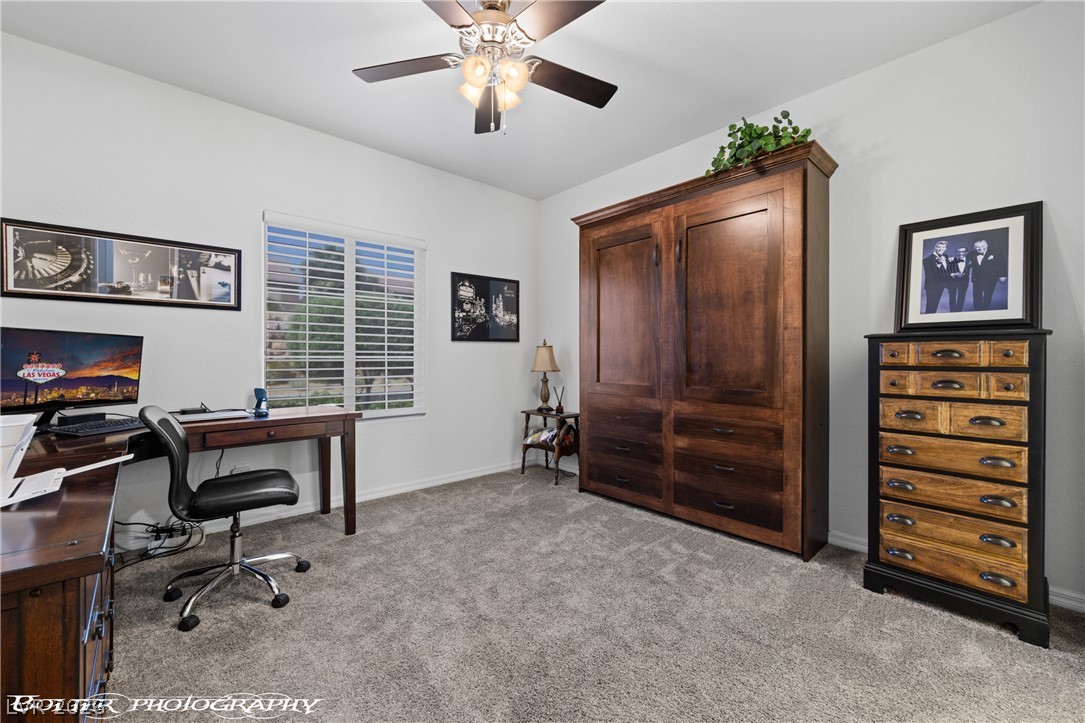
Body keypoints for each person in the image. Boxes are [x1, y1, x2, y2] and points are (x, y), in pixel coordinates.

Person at [969, 239, 1006, 311]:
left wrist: (1003, 275)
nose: (980, 248)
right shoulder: (971, 254)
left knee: (988, 295)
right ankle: (977, 311)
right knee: (976, 295)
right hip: (977, 278)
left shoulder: (997, 252)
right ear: (975, 248)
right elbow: (966, 262)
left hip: (991, 278)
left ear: (987, 246)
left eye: (982, 246)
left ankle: (985, 309)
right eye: (977, 247)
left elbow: (1002, 264)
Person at [921, 239, 951, 314]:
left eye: (943, 247)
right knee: (930, 306)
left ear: (946, 248)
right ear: (935, 248)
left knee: (935, 305)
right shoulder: (927, 260)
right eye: (939, 247)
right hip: (932, 286)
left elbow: (946, 269)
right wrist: (938, 264)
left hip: (942, 285)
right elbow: (929, 275)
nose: (941, 249)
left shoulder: (945, 256)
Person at [946, 246, 970, 312]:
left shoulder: (970, 260)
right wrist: (953, 274)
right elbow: (945, 271)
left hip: (964, 282)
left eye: (963, 251)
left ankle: (959, 311)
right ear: (956, 252)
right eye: (959, 252)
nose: (961, 253)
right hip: (952, 281)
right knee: (952, 296)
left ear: (966, 252)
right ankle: (952, 311)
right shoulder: (951, 260)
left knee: (962, 296)